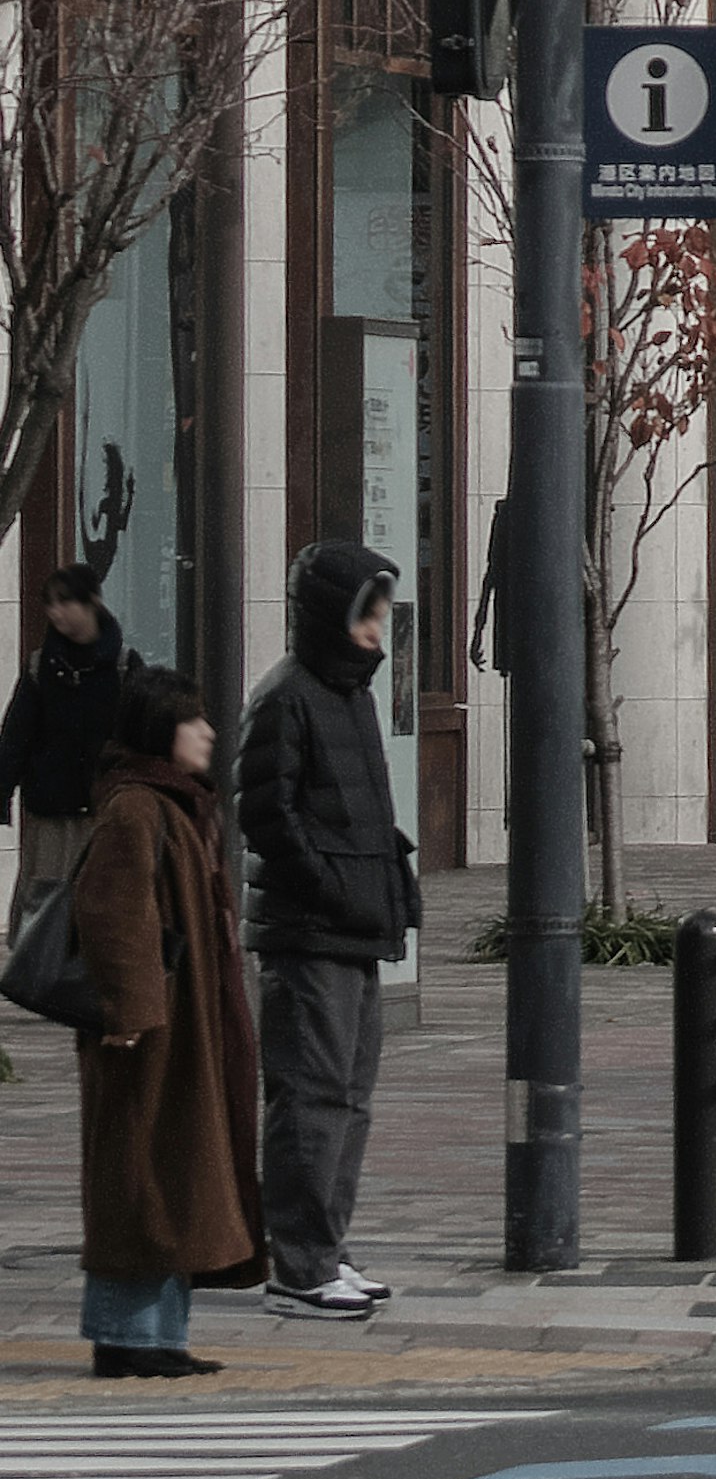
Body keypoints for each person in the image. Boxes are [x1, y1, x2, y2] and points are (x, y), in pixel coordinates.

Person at [231, 545, 415, 1318]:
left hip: (352, 925)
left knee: (348, 1096)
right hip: (309, 931)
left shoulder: (349, 692)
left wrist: (385, 886)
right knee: (312, 1094)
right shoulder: (286, 696)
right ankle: (300, 1265)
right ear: (330, 615)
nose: (379, 627)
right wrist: (335, 887)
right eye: (367, 610)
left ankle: (326, 1245)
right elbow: (267, 816)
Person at [76, 666, 264, 1382]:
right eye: (195, 721)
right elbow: (111, 915)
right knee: (143, 1185)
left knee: (170, 1183)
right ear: (163, 730)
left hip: (182, 1028)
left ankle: (152, 1335)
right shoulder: (137, 808)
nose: (209, 733)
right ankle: (130, 1337)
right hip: (150, 1035)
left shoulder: (175, 803)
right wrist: (130, 1014)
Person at [0, 563, 129, 912]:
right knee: (43, 916)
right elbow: (15, 737)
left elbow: (140, 736)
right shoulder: (39, 667)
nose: (55, 612)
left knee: (98, 908)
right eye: (49, 603)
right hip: (50, 812)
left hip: (103, 811)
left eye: (65, 601)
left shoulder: (124, 666)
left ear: (91, 603)